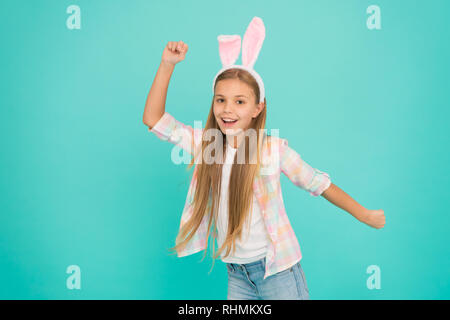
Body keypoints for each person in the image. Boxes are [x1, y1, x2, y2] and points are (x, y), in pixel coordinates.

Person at [142, 17, 386, 300]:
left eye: (240, 101)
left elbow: (318, 184)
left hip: (277, 272)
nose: (227, 109)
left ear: (258, 108)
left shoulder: (272, 151)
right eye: (220, 99)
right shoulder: (206, 144)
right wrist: (167, 64)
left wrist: (363, 213)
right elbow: (153, 119)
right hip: (237, 274)